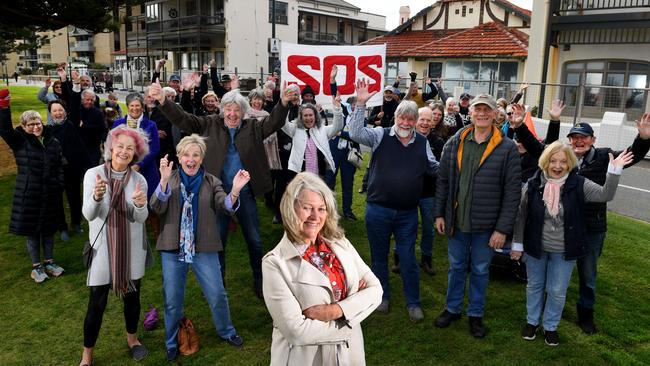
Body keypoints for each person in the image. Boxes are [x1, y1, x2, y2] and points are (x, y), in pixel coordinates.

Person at [148, 80, 297, 299]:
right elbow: (183, 119)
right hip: (215, 195)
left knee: (254, 240)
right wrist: (162, 100)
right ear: (222, 109)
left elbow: (273, 122)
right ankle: (219, 282)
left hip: (243, 193)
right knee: (218, 242)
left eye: (237, 110)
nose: (232, 114)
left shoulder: (254, 127)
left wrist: (283, 103)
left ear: (243, 112)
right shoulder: (209, 124)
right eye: (228, 109)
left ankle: (259, 279)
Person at [514, 112, 650, 334]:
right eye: (575, 137)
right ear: (570, 140)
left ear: (593, 139)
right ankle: (543, 316)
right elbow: (539, 149)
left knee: (587, 275)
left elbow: (629, 157)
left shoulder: (604, 156)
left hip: (591, 227)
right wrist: (520, 126)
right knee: (552, 275)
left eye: (584, 137)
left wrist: (643, 139)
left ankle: (585, 315)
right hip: (560, 227)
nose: (579, 141)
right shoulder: (564, 158)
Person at [262, 172, 382, 366]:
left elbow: (376, 290)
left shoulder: (340, 243)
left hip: (349, 356)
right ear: (291, 208)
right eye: (307, 208)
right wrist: (355, 310)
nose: (315, 217)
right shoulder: (274, 263)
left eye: (321, 209)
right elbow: (296, 332)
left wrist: (333, 311)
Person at [151, 135, 248, 361]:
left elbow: (226, 206)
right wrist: (163, 182)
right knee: (172, 299)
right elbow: (156, 207)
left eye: (196, 155)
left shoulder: (211, 181)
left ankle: (227, 332)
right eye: (186, 154)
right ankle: (172, 342)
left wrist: (234, 191)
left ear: (202, 157)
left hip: (204, 247)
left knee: (216, 294)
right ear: (179, 156)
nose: (191, 159)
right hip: (173, 249)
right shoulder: (170, 178)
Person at [349, 80, 439, 322]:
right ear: (396, 117)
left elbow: (433, 168)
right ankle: (382, 296)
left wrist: (454, 164)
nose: (406, 123)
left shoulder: (422, 141)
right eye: (403, 118)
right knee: (379, 257)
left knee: (408, 259)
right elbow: (356, 133)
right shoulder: (380, 135)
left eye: (411, 120)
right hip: (378, 210)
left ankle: (413, 302)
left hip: (407, 214)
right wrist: (360, 104)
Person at [434, 94, 521, 338]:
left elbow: (513, 193)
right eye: (477, 110)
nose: (482, 114)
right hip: (456, 222)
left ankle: (475, 314)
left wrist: (502, 229)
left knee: (481, 270)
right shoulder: (455, 141)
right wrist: (439, 213)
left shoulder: (506, 149)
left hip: (487, 226)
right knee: (456, 267)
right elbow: (443, 180)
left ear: (495, 114)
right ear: (470, 113)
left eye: (487, 110)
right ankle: (452, 309)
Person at [79, 125, 150, 366]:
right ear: (111, 148)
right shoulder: (93, 174)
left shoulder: (139, 179)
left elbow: (141, 218)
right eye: (120, 146)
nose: (124, 151)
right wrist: (97, 196)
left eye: (130, 148)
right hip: (102, 250)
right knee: (96, 304)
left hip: (131, 250)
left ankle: (133, 340)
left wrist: (140, 205)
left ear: (136, 152)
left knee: (132, 298)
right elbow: (89, 214)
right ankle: (87, 355)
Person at [0, 91, 65, 283]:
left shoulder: (52, 141)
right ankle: (36, 267)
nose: (36, 126)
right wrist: (4, 106)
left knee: (48, 230)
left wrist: (59, 184)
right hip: (29, 194)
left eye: (38, 122)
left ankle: (49, 262)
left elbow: (60, 164)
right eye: (31, 124)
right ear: (24, 126)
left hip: (50, 193)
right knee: (33, 232)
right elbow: (4, 130)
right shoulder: (20, 142)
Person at [47, 100, 91, 240]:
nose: (58, 113)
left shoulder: (71, 125)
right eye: (55, 110)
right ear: (50, 113)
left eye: (60, 110)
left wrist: (87, 167)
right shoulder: (47, 130)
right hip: (55, 171)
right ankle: (62, 228)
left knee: (75, 198)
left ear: (65, 111)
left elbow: (80, 148)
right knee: (57, 200)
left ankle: (76, 223)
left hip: (71, 169)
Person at [282, 94, 343, 179]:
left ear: (315, 116)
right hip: (299, 173)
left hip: (320, 173)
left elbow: (338, 127)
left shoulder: (323, 130)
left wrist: (337, 108)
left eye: (311, 115)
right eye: (305, 115)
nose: (308, 118)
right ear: (301, 117)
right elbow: (283, 123)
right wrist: (285, 105)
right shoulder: (295, 129)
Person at [112, 93, 161, 199]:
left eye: (137, 105)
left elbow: (155, 149)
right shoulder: (118, 124)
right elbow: (113, 146)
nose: (135, 108)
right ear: (127, 106)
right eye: (132, 105)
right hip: (122, 167)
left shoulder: (151, 125)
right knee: (124, 199)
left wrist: (140, 165)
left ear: (142, 108)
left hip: (146, 169)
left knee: (146, 200)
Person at [325, 95, 360, 221]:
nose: (356, 107)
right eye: (354, 104)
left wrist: (341, 133)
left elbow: (357, 136)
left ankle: (347, 210)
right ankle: (328, 209)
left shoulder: (361, 119)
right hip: (334, 151)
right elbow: (336, 98)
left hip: (349, 154)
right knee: (329, 181)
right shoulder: (341, 114)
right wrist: (333, 80)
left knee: (348, 183)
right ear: (349, 105)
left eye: (358, 104)